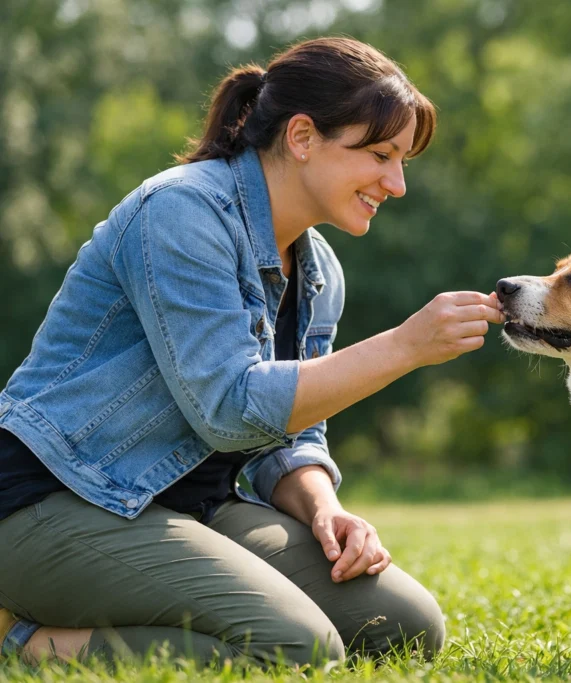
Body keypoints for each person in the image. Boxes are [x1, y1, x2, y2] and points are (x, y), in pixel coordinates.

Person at [0, 36, 504, 667]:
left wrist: (326, 510)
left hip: (190, 507)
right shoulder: (181, 212)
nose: (396, 184)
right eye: (379, 154)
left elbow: (288, 435)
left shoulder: (320, 270)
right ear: (301, 137)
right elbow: (231, 408)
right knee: (298, 647)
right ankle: (21, 640)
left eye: (402, 160)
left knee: (403, 627)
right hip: (54, 504)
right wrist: (405, 346)